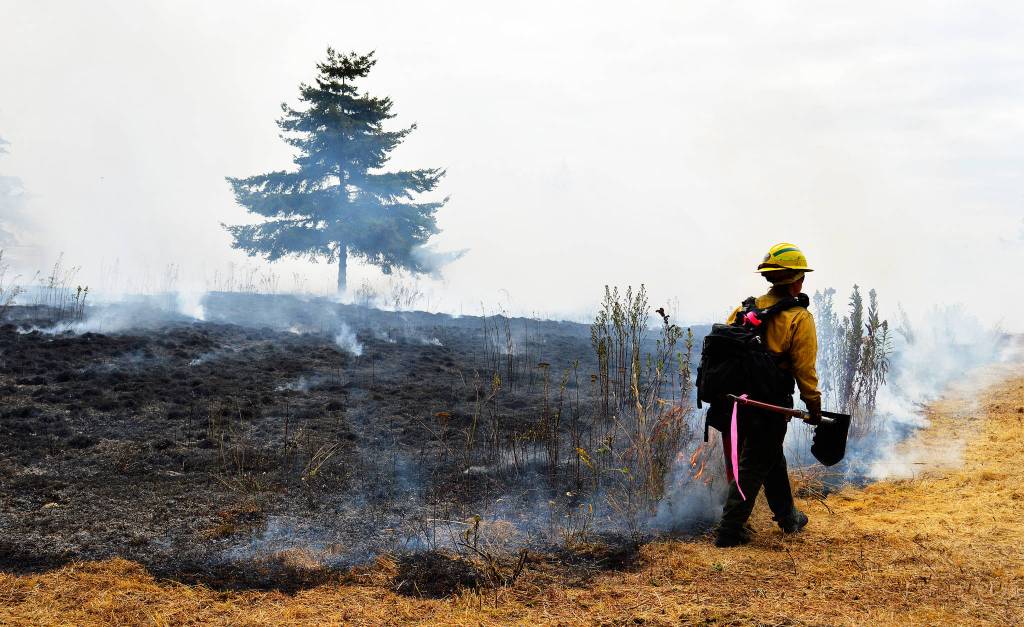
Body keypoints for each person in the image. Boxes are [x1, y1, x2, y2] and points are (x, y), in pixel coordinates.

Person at [715, 242, 823, 548]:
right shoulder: (798, 318)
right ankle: (729, 530)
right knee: (753, 465)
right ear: (797, 279)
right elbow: (805, 370)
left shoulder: (745, 309)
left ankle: (788, 518)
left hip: (738, 402)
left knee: (770, 456)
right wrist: (814, 407)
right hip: (771, 404)